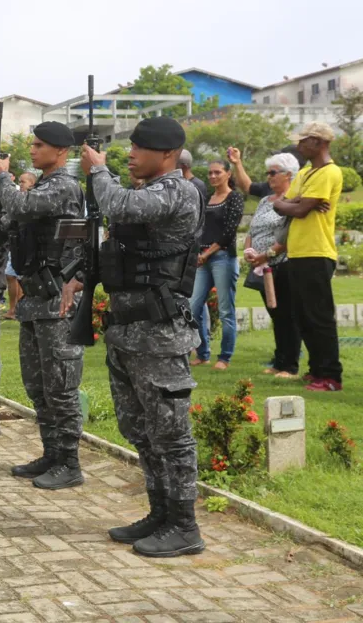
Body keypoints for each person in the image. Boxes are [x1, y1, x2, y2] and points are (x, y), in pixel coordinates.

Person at [81, 116, 205, 558]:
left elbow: (122, 208)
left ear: (167, 154)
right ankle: (160, 513)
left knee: (172, 436)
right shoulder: (145, 190)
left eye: (138, 147)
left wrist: (98, 169)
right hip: (129, 331)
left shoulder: (177, 190)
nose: (129, 153)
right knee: (141, 430)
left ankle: (185, 526)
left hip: (160, 335)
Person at [0, 122, 87, 488]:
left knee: (61, 385)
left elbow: (22, 208)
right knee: (37, 384)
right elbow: (10, 217)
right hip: (33, 300)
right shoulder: (42, 184)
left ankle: (70, 463)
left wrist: (3, 179)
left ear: (61, 151)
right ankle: (51, 453)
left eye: (39, 145)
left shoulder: (63, 185)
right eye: (32, 143)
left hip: (56, 301)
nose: (32, 149)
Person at [274, 122, 344, 392]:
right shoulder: (305, 172)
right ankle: (316, 370)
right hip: (299, 251)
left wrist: (295, 204)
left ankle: (330, 376)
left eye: (304, 141)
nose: (300, 146)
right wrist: (293, 203)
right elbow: (283, 203)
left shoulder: (329, 172)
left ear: (317, 142)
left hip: (317, 251)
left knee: (319, 316)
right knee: (303, 315)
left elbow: (299, 209)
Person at [244, 153, 299, 378]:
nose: (269, 178)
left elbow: (287, 236)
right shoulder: (266, 200)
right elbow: (252, 230)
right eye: (268, 173)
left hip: (282, 265)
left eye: (273, 173)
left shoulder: (292, 201)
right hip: (262, 267)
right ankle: (279, 361)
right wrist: (249, 251)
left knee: (288, 316)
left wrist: (265, 255)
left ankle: (290, 366)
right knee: (275, 315)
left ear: (288, 175)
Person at [188, 160, 244, 370]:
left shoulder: (234, 198)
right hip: (203, 258)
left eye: (217, 172)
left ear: (227, 174)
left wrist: (207, 253)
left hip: (222, 257)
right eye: (210, 173)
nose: (212, 176)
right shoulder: (207, 198)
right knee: (193, 307)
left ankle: (225, 357)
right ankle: (202, 353)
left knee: (225, 310)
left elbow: (229, 232)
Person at [3, 172, 38, 320]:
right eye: (19, 181)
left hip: (29, 248)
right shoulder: (17, 201)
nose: (20, 184)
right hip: (15, 245)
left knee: (22, 277)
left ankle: (20, 307)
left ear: (32, 184)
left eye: (23, 182)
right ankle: (13, 308)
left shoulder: (34, 200)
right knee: (11, 275)